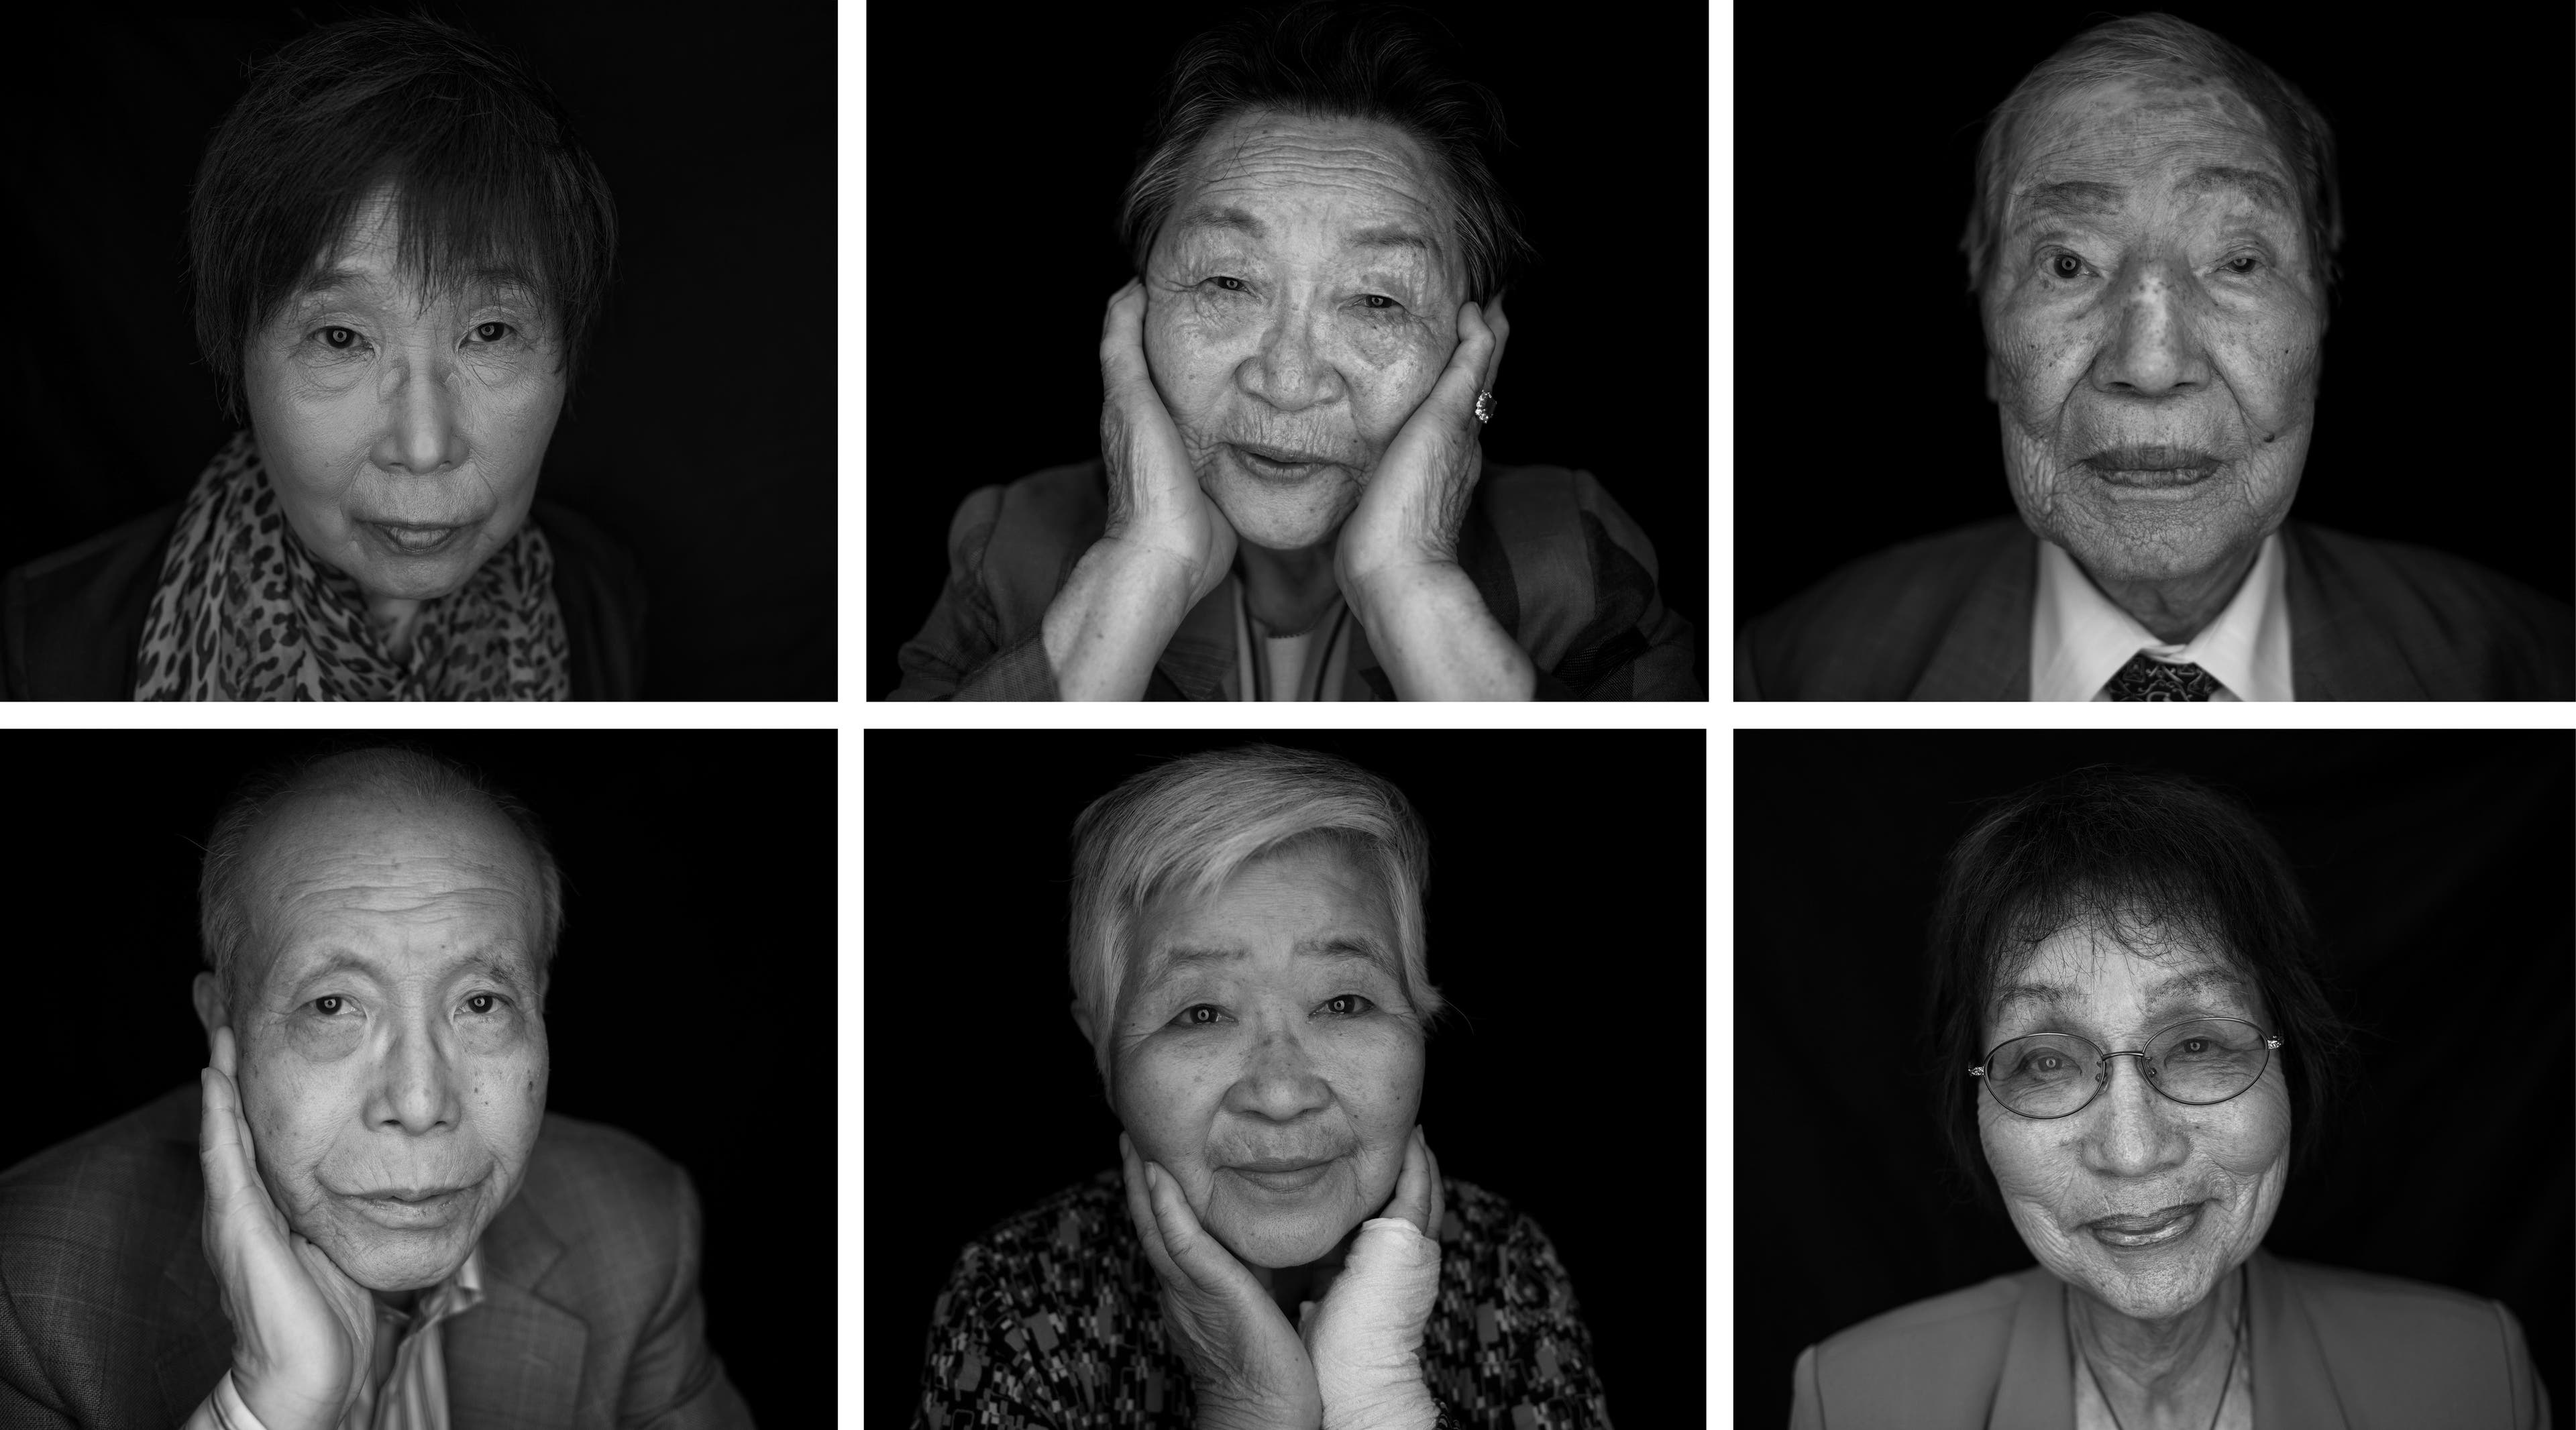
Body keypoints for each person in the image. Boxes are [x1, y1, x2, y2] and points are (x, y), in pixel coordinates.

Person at [1737, 12, 2573, 701]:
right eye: (2069, 264)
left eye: (2238, 262)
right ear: (1990, 337)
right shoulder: (1788, 675)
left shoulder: (2526, 666)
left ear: (2318, 325)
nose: (2150, 361)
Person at [893, 2, 1697, 700]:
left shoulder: (1572, 551)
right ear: (1133, 308)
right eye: (1228, 282)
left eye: (1378, 300)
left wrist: (1410, 582)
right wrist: (1138, 570)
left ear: (1474, 345)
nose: (1286, 381)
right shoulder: (1008, 543)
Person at [0, 747, 750, 1426]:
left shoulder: (637, 1225)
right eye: (333, 1005)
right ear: (222, 1024)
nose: (421, 1103)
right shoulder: (27, 1284)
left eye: (481, 1003)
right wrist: (268, 1405)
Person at [1791, 767, 2551, 1427]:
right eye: (2047, 1060)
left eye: (2196, 1045)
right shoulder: (1853, 1397)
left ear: (2293, 1061)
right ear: (1977, 1106)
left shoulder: (2477, 1377)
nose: (2133, 1149)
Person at [912, 745, 1615, 1427]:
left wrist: (1376, 1387)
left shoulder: (1505, 1264)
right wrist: (1247, 1402)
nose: (1281, 1094)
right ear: (1100, 1044)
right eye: (1202, 1012)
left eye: (1343, 1002)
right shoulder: (1015, 1290)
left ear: (1421, 1017)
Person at [0, 15, 643, 701]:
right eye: (341, 337)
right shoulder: (46, 644)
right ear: (238, 358)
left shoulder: (597, 596)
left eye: (489, 332)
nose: (423, 446)